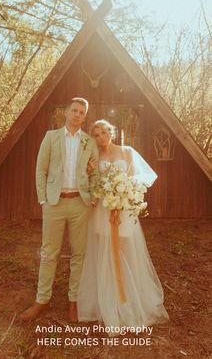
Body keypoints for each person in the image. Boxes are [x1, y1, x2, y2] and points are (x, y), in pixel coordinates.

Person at [77, 120, 169, 335]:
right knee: (104, 250)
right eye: (97, 134)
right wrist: (90, 172)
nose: (101, 137)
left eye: (104, 132)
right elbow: (90, 181)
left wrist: (126, 189)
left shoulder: (127, 151)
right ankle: (107, 298)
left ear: (111, 132)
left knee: (125, 249)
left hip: (123, 209)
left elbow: (143, 176)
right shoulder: (94, 155)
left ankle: (128, 296)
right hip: (103, 209)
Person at [20, 97, 98, 322]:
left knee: (78, 254)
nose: (77, 114)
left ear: (85, 117)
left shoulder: (88, 142)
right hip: (54, 204)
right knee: (49, 253)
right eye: (74, 110)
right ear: (66, 112)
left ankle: (74, 301)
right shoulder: (51, 137)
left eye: (82, 112)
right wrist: (43, 200)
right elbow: (40, 170)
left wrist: (91, 200)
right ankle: (42, 300)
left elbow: (95, 175)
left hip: (80, 204)